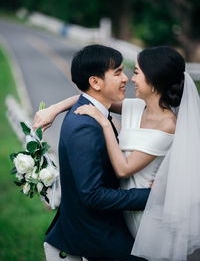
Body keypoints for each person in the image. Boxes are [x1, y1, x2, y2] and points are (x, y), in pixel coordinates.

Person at [34, 45, 200, 260]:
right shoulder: (133, 107)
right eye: (120, 72)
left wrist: (104, 123)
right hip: (123, 211)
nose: (129, 78)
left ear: (154, 80)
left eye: (136, 72)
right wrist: (54, 109)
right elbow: (91, 96)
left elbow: (123, 168)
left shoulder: (168, 124)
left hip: (145, 212)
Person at [39, 44, 150, 261]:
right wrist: (150, 196)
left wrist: (55, 108)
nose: (126, 78)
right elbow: (92, 195)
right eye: (117, 72)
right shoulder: (84, 127)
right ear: (95, 82)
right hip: (98, 235)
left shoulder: (96, 111)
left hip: (106, 226)